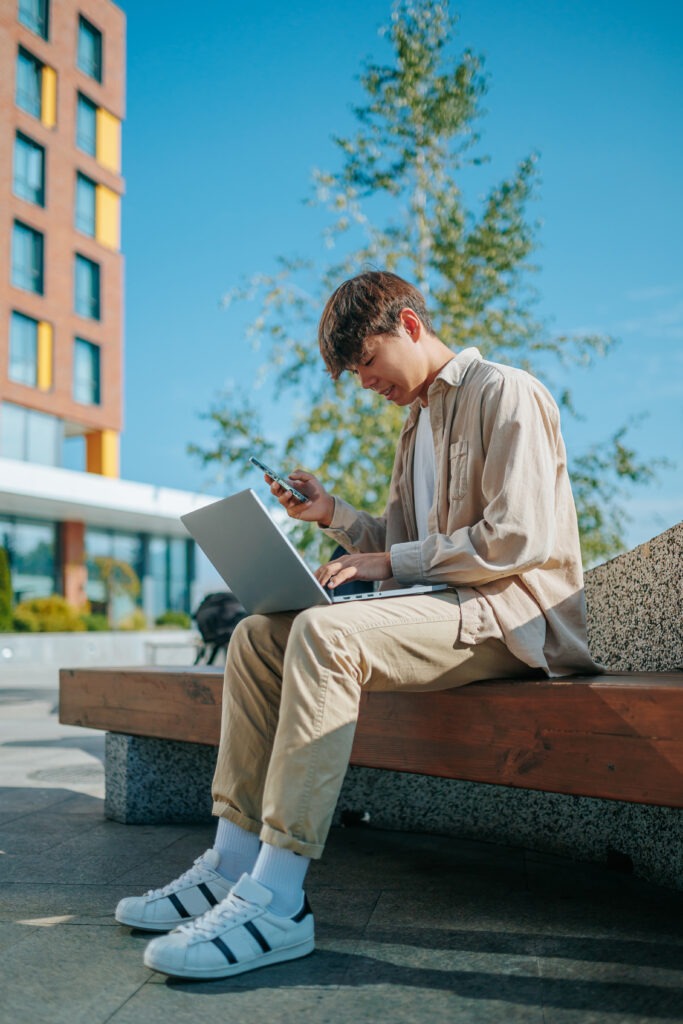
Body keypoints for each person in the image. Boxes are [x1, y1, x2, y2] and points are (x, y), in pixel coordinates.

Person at [115, 270, 598, 980]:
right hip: (443, 612)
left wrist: (384, 559)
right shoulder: (417, 426)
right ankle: (228, 864)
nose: (363, 382)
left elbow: (515, 538)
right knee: (256, 634)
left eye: (366, 362)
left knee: (325, 633)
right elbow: (401, 547)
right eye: (351, 373)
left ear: (408, 325)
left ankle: (277, 901)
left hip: (512, 620)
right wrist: (334, 516)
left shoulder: (505, 391)